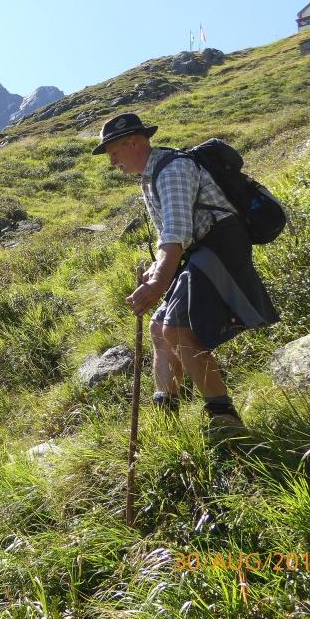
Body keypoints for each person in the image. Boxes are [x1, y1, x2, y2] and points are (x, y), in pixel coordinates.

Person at [92, 112, 278, 433]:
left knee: (177, 330)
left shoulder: (173, 170)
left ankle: (224, 418)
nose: (112, 163)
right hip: (201, 251)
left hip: (220, 247)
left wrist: (156, 284)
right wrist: (154, 274)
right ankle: (166, 415)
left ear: (134, 142)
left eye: (114, 153)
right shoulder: (151, 177)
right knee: (158, 327)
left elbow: (176, 235)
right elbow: (171, 238)